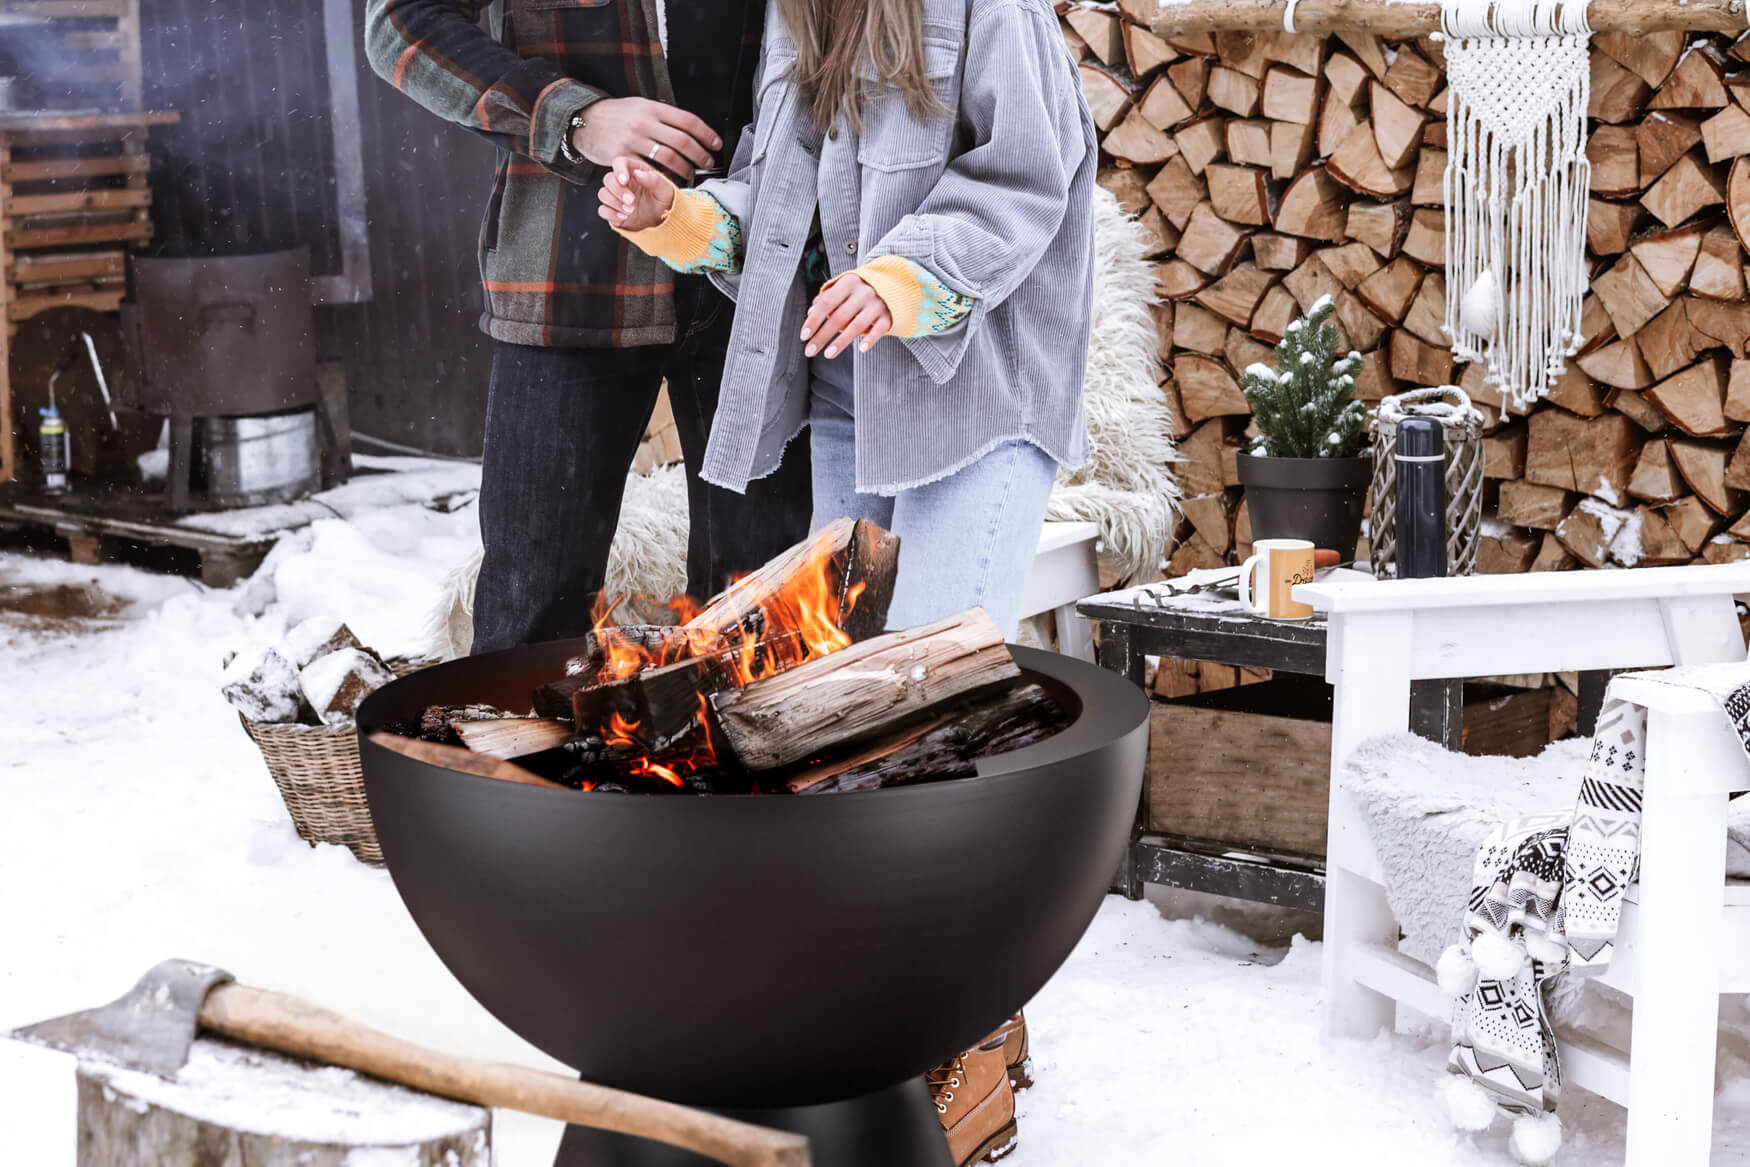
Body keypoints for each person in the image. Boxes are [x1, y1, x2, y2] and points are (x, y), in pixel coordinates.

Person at [602, 0, 1096, 1159]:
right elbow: (776, 210)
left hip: (977, 397)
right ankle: (900, 1030)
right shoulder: (799, 18)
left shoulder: (991, 10)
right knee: (846, 728)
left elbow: (1031, 176)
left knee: (931, 724)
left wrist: (903, 277)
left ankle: (966, 1056)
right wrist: (679, 219)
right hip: (849, 404)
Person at [363, 0, 813, 654]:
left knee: (760, 613)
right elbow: (400, 26)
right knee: (531, 618)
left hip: (752, 270)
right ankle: (521, 759)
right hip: (566, 276)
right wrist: (572, 118)